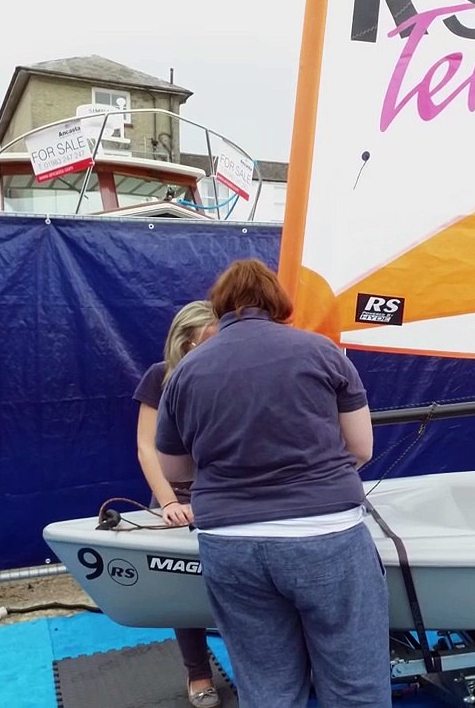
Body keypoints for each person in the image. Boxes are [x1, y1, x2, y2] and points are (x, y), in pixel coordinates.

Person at [155, 259, 386, 707]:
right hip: (327, 538)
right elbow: (361, 449)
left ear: (219, 307)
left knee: (268, 687)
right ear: (279, 303)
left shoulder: (186, 372)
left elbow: (175, 470)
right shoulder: (322, 353)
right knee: (355, 685)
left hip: (231, 544)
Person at [134, 300, 221, 708]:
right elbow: (146, 447)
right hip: (178, 497)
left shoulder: (229, 373)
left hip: (222, 494)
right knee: (183, 586)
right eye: (211, 339)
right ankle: (198, 673)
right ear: (187, 344)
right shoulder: (160, 377)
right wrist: (168, 502)